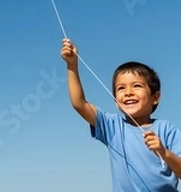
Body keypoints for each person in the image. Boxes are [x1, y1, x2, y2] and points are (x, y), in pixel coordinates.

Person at [61, 38, 181, 191]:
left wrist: (164, 153)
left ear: (155, 97)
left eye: (137, 86)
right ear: (116, 102)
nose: (128, 93)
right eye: (121, 88)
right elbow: (79, 104)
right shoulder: (112, 127)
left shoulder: (167, 129)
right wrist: (72, 65)